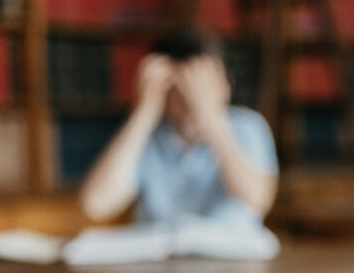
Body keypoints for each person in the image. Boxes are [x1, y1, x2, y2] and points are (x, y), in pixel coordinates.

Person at [77, 30, 279, 257]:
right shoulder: (147, 136)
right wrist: (143, 112)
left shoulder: (247, 127)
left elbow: (257, 199)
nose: (190, 94)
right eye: (178, 85)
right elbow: (95, 205)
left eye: (200, 81)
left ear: (226, 82)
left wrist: (212, 120)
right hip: (160, 269)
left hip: (234, 267)